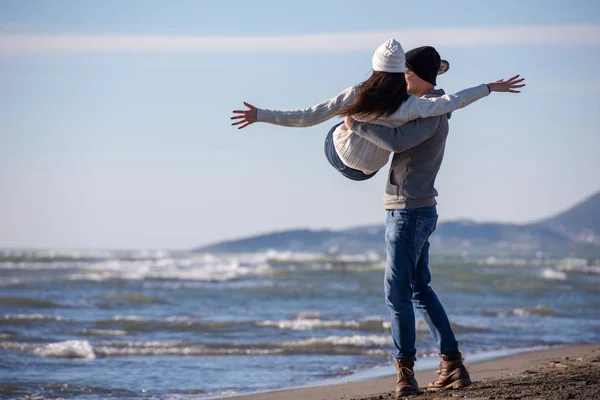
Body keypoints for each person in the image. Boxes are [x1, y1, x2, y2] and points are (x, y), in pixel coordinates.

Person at [342, 46, 524, 397]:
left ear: (416, 75)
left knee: (397, 296)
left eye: (404, 74)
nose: (400, 81)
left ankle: (405, 374)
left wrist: (357, 124)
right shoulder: (431, 108)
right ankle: (452, 364)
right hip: (416, 210)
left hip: (408, 213)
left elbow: (396, 140)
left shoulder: (431, 115)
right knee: (419, 290)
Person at [231, 39, 524, 182]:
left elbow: (308, 116)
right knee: (380, 124)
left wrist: (261, 115)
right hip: (368, 171)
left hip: (341, 157)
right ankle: (427, 75)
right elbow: (453, 102)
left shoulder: (356, 93)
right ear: (402, 73)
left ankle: (353, 120)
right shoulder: (410, 106)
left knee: (335, 124)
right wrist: (487, 87)